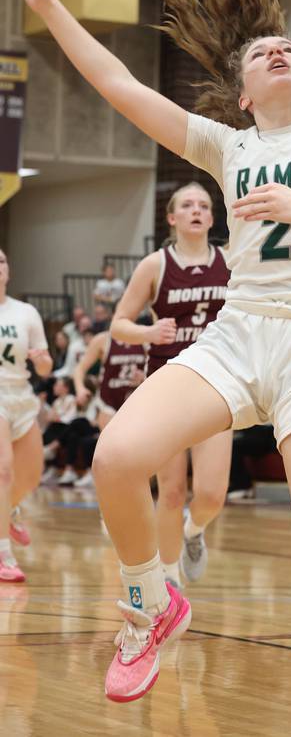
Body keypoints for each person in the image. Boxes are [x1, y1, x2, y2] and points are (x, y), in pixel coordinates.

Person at [11, 0, 291, 736]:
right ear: (240, 94)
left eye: (287, 48)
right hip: (238, 336)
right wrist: (51, 7)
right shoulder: (228, 145)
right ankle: (147, 607)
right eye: (260, 51)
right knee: (117, 457)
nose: (275, 51)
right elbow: (121, 84)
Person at [111, 183, 231, 589]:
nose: (196, 210)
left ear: (212, 218)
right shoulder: (155, 265)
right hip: (169, 382)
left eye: (204, 205)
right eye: (187, 205)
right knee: (173, 490)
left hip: (218, 382)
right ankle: (167, 578)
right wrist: (148, 332)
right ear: (172, 218)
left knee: (212, 494)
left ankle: (194, 532)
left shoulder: (231, 261)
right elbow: (118, 324)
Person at [0, 248, 53, 581]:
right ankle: (4, 553)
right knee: (3, 470)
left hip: (21, 395)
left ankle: (7, 512)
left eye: (2, 261)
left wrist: (39, 359)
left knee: (31, 475)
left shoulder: (26, 312)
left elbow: (46, 367)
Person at [69, 329, 147, 487]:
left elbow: (157, 368)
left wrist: (145, 376)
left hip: (134, 401)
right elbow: (80, 369)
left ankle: (132, 487)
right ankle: (107, 486)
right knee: (111, 451)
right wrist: (80, 389)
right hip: (108, 402)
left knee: (133, 451)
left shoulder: (144, 337)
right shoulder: (103, 339)